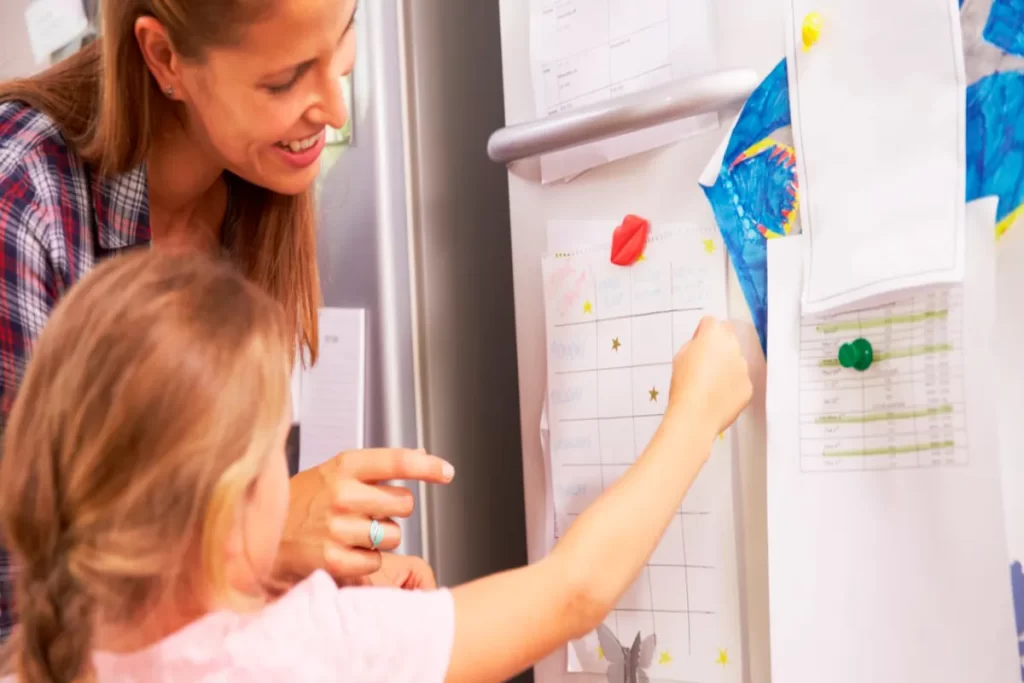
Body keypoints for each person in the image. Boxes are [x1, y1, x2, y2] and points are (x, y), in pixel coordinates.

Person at [0, 250, 753, 682]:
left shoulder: (48, 649)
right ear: (229, 513)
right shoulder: (309, 649)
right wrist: (696, 413)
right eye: (279, 449)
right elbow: (572, 592)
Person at [0, 0, 441, 640]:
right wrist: (261, 537)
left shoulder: (249, 178)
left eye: (342, 40)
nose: (336, 109)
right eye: (285, 78)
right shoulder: (21, 204)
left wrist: (303, 585)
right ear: (164, 58)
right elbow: (27, 619)